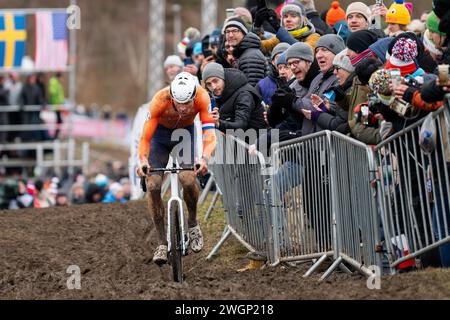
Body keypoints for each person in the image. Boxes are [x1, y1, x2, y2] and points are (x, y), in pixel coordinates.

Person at [137, 72, 216, 265]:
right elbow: (145, 138)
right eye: (177, 103)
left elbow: (209, 134)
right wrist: (143, 161)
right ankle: (162, 242)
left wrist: (204, 158)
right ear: (171, 96)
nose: (182, 108)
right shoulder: (160, 100)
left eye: (186, 104)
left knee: (188, 179)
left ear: (193, 97)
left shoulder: (202, 97)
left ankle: (193, 224)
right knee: (154, 185)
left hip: (185, 134)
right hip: (159, 137)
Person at [202, 62, 266, 139]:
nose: (213, 87)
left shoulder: (244, 95)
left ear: (223, 78)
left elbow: (241, 125)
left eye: (215, 81)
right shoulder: (221, 94)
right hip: (243, 145)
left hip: (258, 144)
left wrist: (219, 123)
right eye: (209, 84)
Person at [48, 72, 65, 139]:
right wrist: (57, 103)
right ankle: (56, 135)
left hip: (59, 104)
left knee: (59, 120)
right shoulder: (54, 82)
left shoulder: (56, 83)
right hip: (57, 105)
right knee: (59, 120)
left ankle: (56, 134)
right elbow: (53, 92)